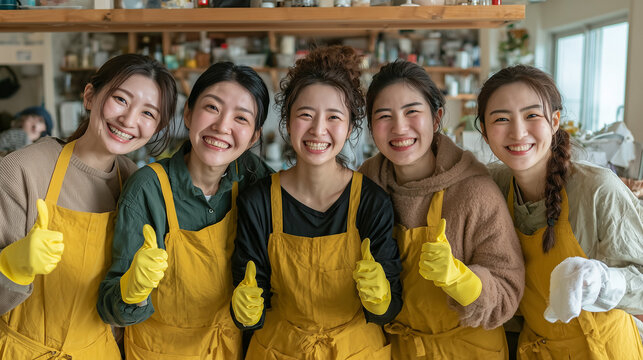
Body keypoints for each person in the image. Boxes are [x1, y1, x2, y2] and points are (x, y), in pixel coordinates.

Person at [230, 45, 403, 359]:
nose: (318, 129)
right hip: (278, 349)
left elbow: (390, 308)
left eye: (334, 117)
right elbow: (249, 296)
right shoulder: (259, 202)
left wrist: (380, 299)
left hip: (355, 350)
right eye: (305, 114)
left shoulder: (371, 201)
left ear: (350, 127)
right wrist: (245, 311)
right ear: (287, 120)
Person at [0, 53, 177, 359]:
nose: (129, 120)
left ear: (158, 127)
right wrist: (12, 268)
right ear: (90, 96)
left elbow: (120, 317)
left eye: (148, 113)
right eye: (121, 99)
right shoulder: (22, 169)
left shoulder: (136, 184)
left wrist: (134, 295)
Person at [97, 61, 272, 359]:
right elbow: (110, 309)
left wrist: (256, 304)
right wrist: (131, 291)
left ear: (254, 137)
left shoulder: (254, 178)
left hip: (228, 349)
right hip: (159, 351)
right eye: (212, 108)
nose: (222, 126)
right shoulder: (148, 188)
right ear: (188, 114)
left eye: (241, 118)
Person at [359, 60, 525, 359]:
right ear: (371, 126)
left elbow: (507, 293)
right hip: (394, 348)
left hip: (468, 350)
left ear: (436, 119)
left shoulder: (475, 192)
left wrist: (460, 279)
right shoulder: (364, 187)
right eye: (385, 115)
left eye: (412, 111)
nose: (399, 127)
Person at [476, 64, 643, 359]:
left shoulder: (597, 189)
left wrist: (605, 283)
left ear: (554, 121)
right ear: (485, 132)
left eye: (532, 115)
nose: (518, 132)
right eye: (501, 118)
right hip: (537, 349)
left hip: (604, 349)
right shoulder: (492, 186)